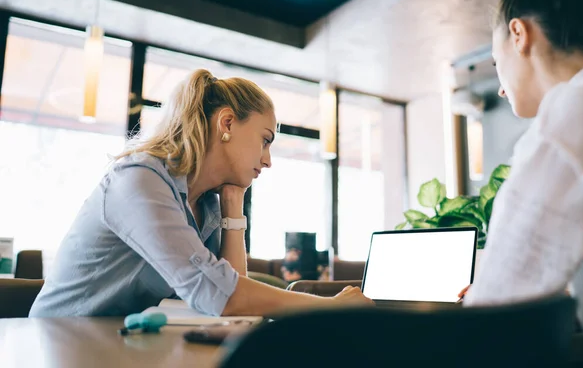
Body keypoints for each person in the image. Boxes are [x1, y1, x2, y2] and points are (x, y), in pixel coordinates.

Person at [29, 69, 373, 318]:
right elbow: (218, 295)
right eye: (265, 140)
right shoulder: (140, 178)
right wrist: (331, 307)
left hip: (112, 342)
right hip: (57, 342)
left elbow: (229, 295)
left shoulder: (205, 201)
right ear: (226, 123)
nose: (268, 160)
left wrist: (233, 203)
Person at [461, 0, 583, 351]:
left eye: (495, 61)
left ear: (518, 34)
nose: (501, 88)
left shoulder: (576, 110)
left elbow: (495, 308)